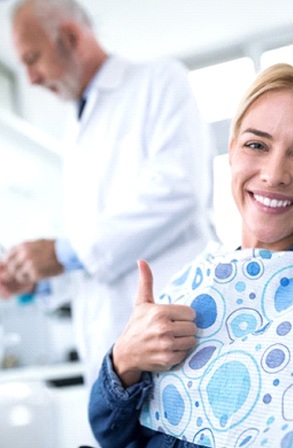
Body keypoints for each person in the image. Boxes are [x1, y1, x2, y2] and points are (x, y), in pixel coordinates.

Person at [88, 63, 293, 448]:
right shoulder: (199, 279)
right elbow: (112, 434)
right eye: (256, 145)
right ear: (231, 153)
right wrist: (123, 361)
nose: (274, 174)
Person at [0, 0, 215, 384]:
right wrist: (39, 276)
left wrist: (63, 253)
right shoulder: (75, 128)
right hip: (113, 357)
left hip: (173, 336)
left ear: (69, 37)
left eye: (33, 58)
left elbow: (180, 189)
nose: (30, 78)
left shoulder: (158, 81)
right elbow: (94, 254)